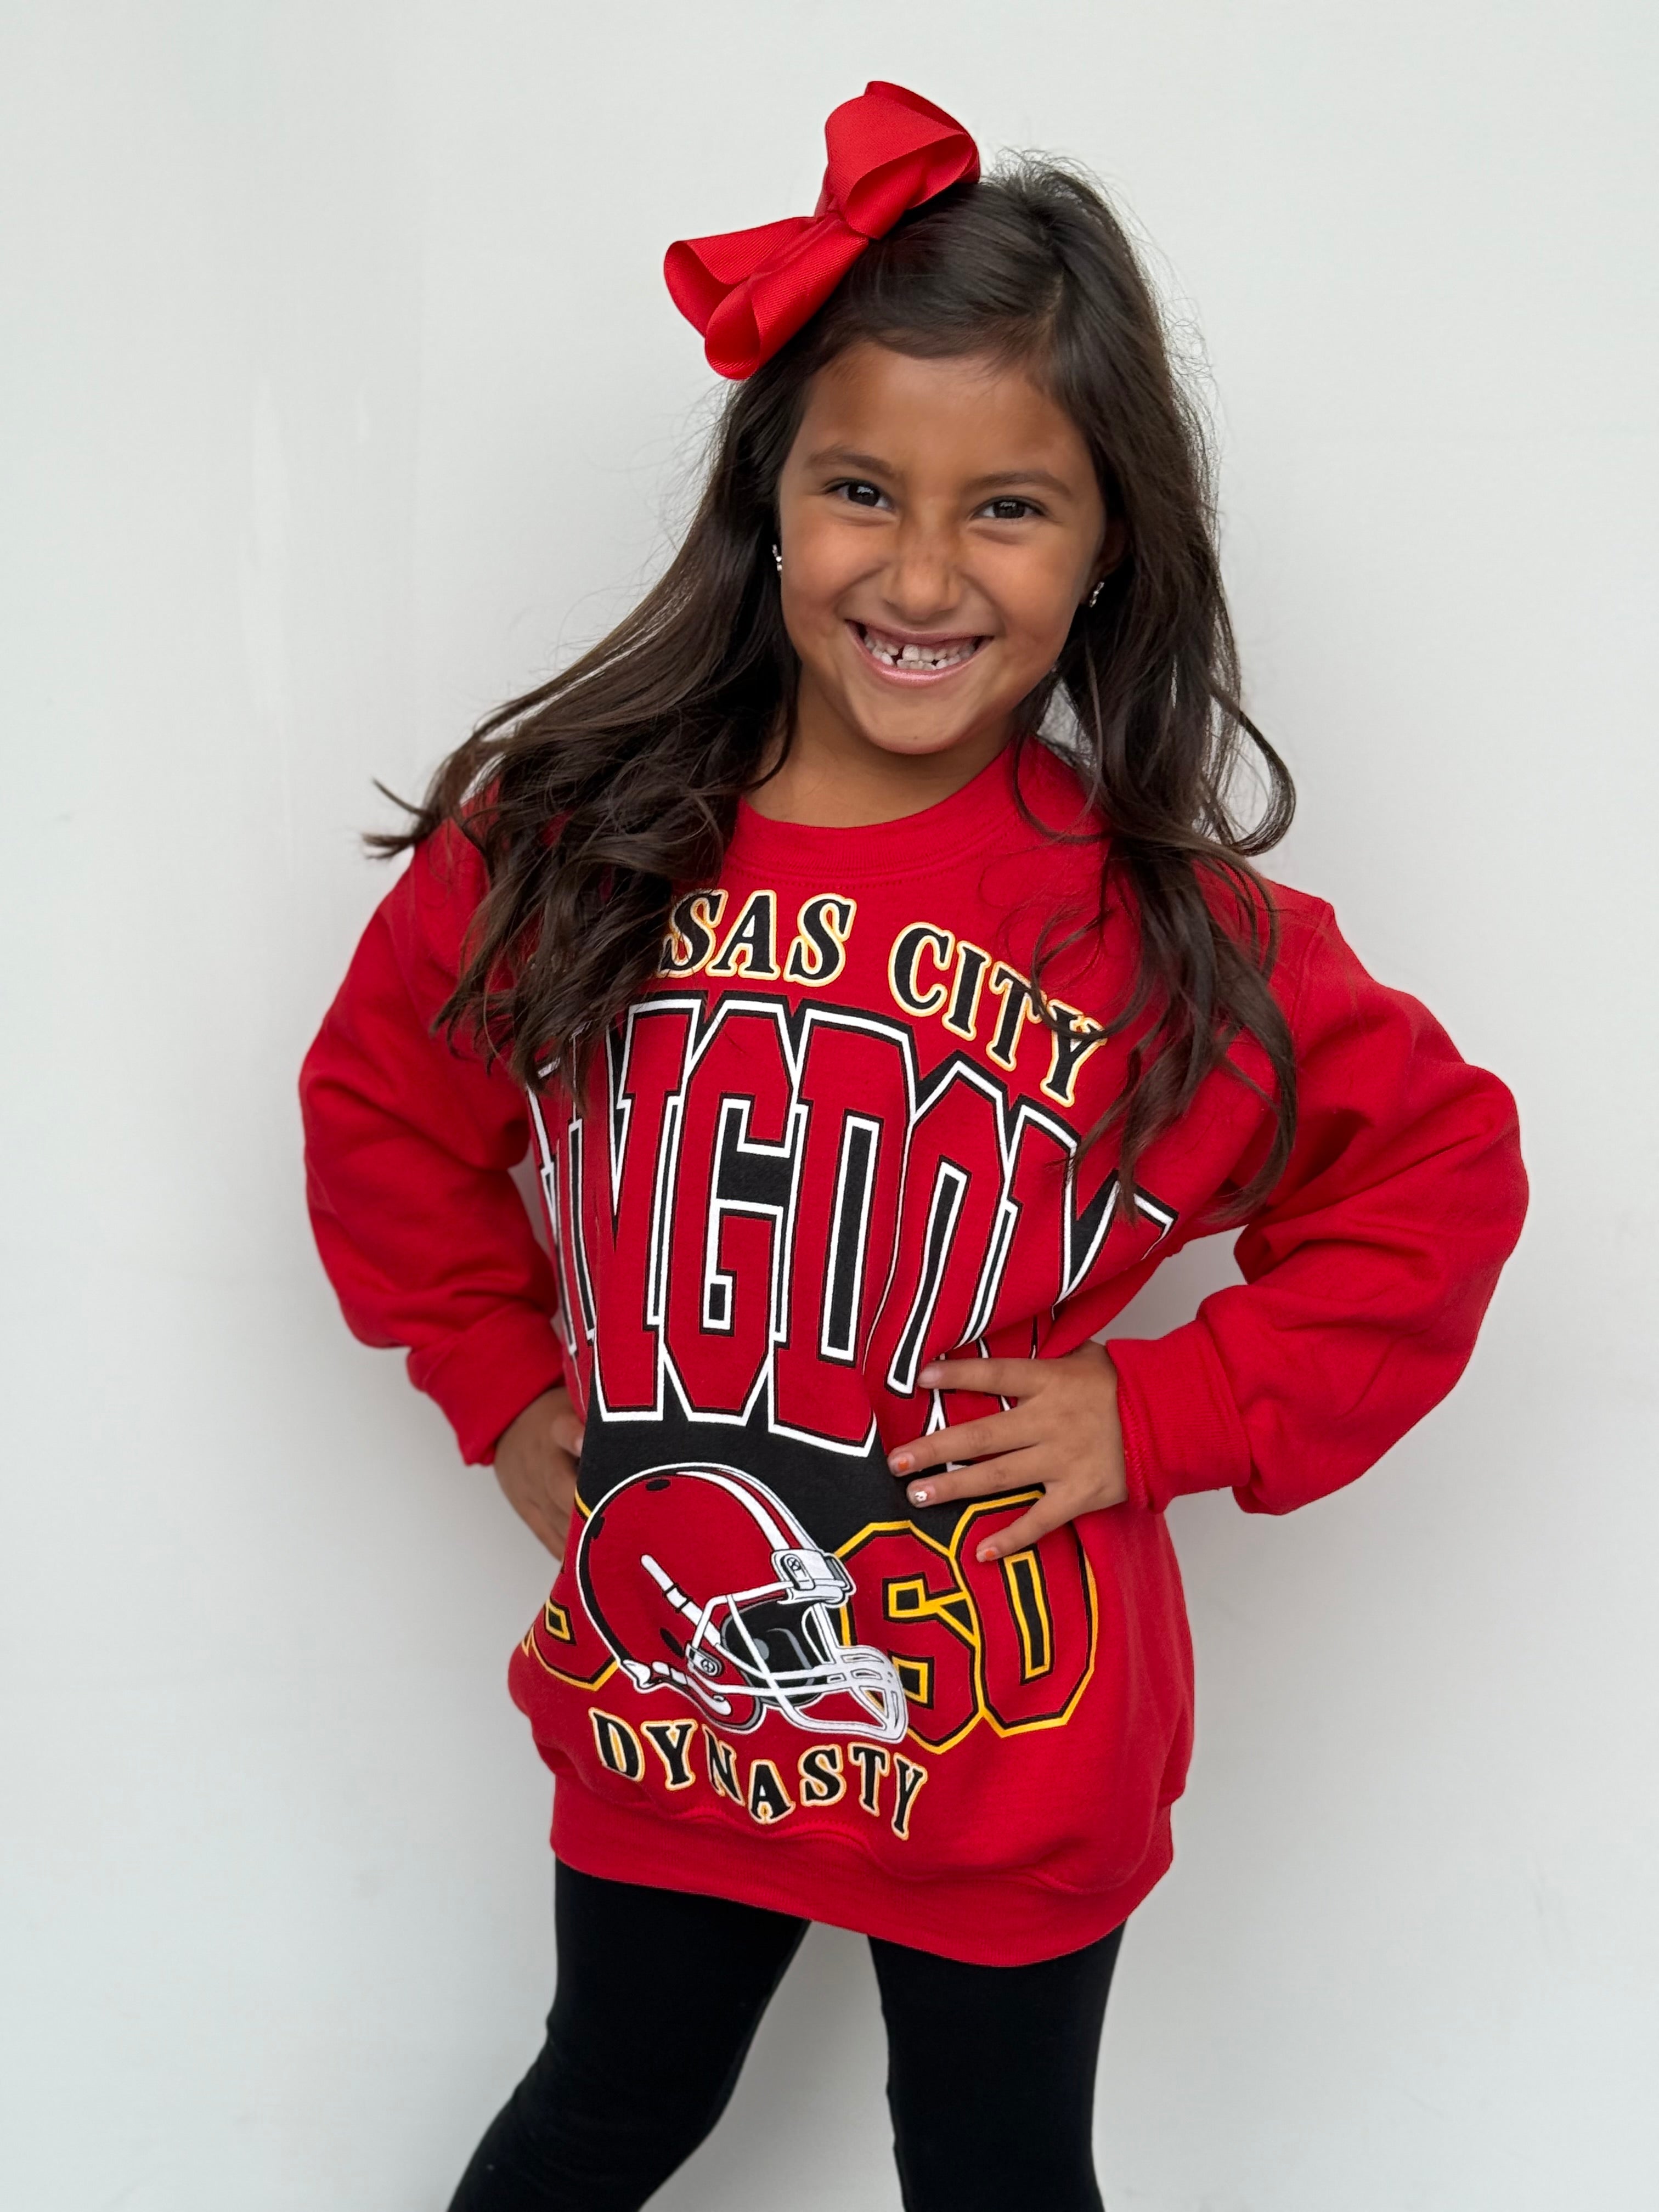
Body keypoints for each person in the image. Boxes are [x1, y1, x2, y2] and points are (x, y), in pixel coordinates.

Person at [298, 81, 1527, 2212]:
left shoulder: (1152, 930)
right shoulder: (576, 846)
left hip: (1009, 1754)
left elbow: (1435, 1179)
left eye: (1012, 507)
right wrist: (495, 1378)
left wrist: (1167, 1407)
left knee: (994, 2172)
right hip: (671, 1712)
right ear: (768, 493)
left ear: (1112, 540)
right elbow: (386, 1106)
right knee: (611, 2107)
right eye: (864, 487)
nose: (926, 572)